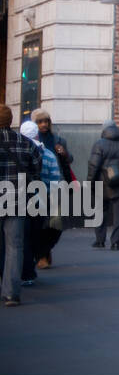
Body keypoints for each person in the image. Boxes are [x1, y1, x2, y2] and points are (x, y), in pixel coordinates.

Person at [0, 106, 41, 305]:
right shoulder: (24, 143)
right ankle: (11, 293)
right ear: (10, 120)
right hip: (17, 200)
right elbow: (36, 169)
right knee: (14, 246)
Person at [32, 110, 74, 267]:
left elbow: (69, 161)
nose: (43, 124)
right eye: (40, 121)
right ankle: (41, 254)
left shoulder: (58, 140)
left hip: (57, 187)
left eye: (46, 121)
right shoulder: (31, 141)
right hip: (37, 189)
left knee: (56, 225)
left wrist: (64, 153)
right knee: (41, 224)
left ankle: (44, 250)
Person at [21, 119, 58, 277]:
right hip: (43, 200)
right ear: (37, 134)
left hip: (20, 199)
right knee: (38, 234)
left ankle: (25, 270)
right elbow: (55, 180)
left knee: (23, 237)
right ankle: (37, 260)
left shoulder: (19, 151)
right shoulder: (48, 154)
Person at [87, 122, 119, 250]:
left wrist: (90, 182)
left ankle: (100, 240)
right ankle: (115, 242)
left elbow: (93, 165)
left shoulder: (99, 144)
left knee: (100, 212)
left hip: (101, 183)